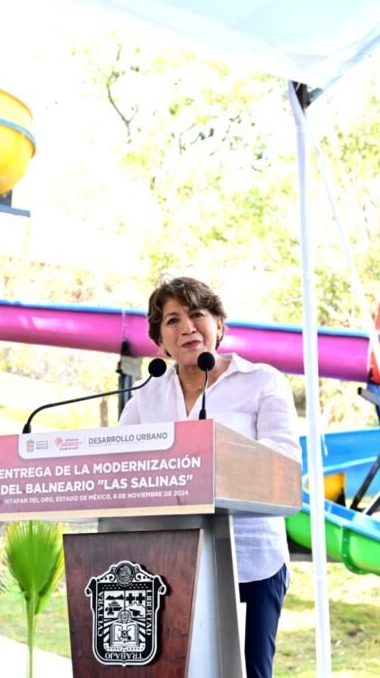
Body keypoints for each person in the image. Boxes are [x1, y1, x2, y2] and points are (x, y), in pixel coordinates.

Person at [117, 276, 300, 678]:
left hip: (249, 561)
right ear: (160, 341)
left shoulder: (261, 381)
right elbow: (117, 464)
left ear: (219, 324)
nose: (187, 327)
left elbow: (285, 464)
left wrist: (212, 461)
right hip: (165, 565)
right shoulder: (147, 395)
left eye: (197, 314)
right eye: (172, 320)